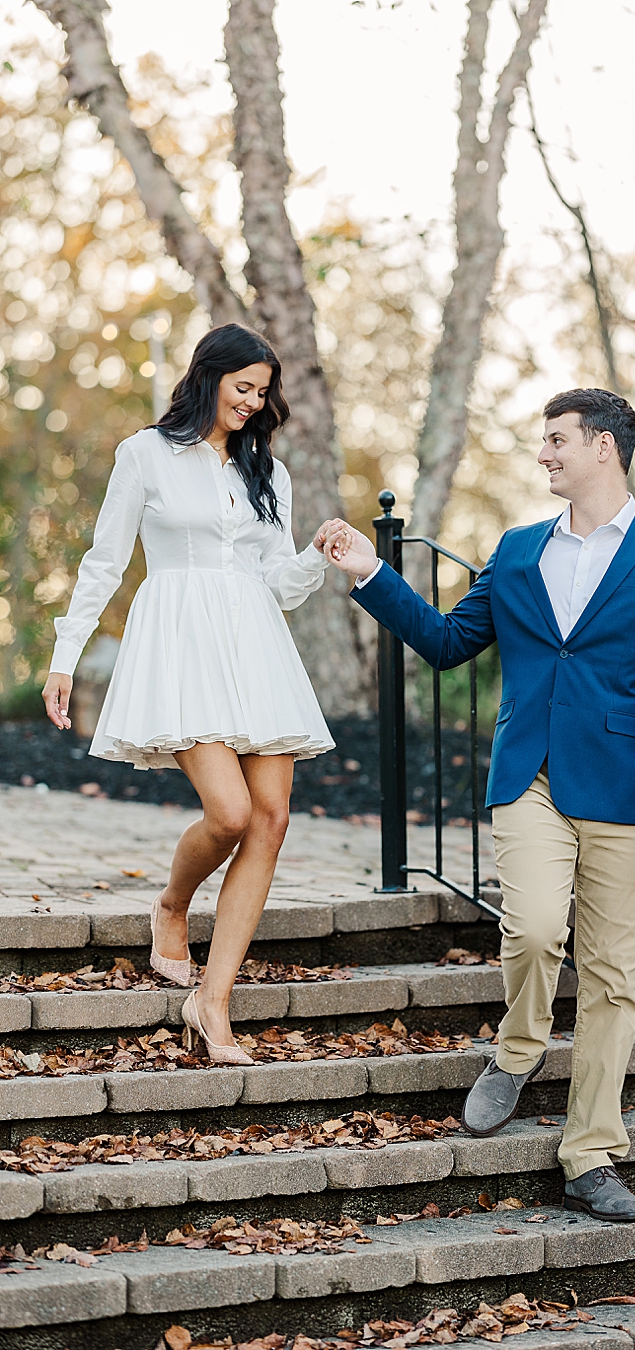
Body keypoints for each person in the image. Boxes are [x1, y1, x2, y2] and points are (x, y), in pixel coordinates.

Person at [320, 387, 635, 1222]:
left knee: (613, 979)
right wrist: (370, 572)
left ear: (604, 447)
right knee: (534, 927)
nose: (544, 454)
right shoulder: (517, 548)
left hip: (627, 790)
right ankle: (519, 1045)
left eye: (557, 440)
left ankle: (591, 1157)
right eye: (543, 441)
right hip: (529, 773)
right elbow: (447, 642)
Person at [42, 323, 336, 1064]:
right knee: (230, 812)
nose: (252, 403)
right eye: (244, 388)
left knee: (270, 820)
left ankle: (213, 1001)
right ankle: (171, 906)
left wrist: (314, 557)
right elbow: (105, 560)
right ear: (208, 377)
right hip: (179, 644)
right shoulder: (145, 454)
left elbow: (276, 584)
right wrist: (65, 654)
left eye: (263, 393)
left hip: (256, 644)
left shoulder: (266, 469)